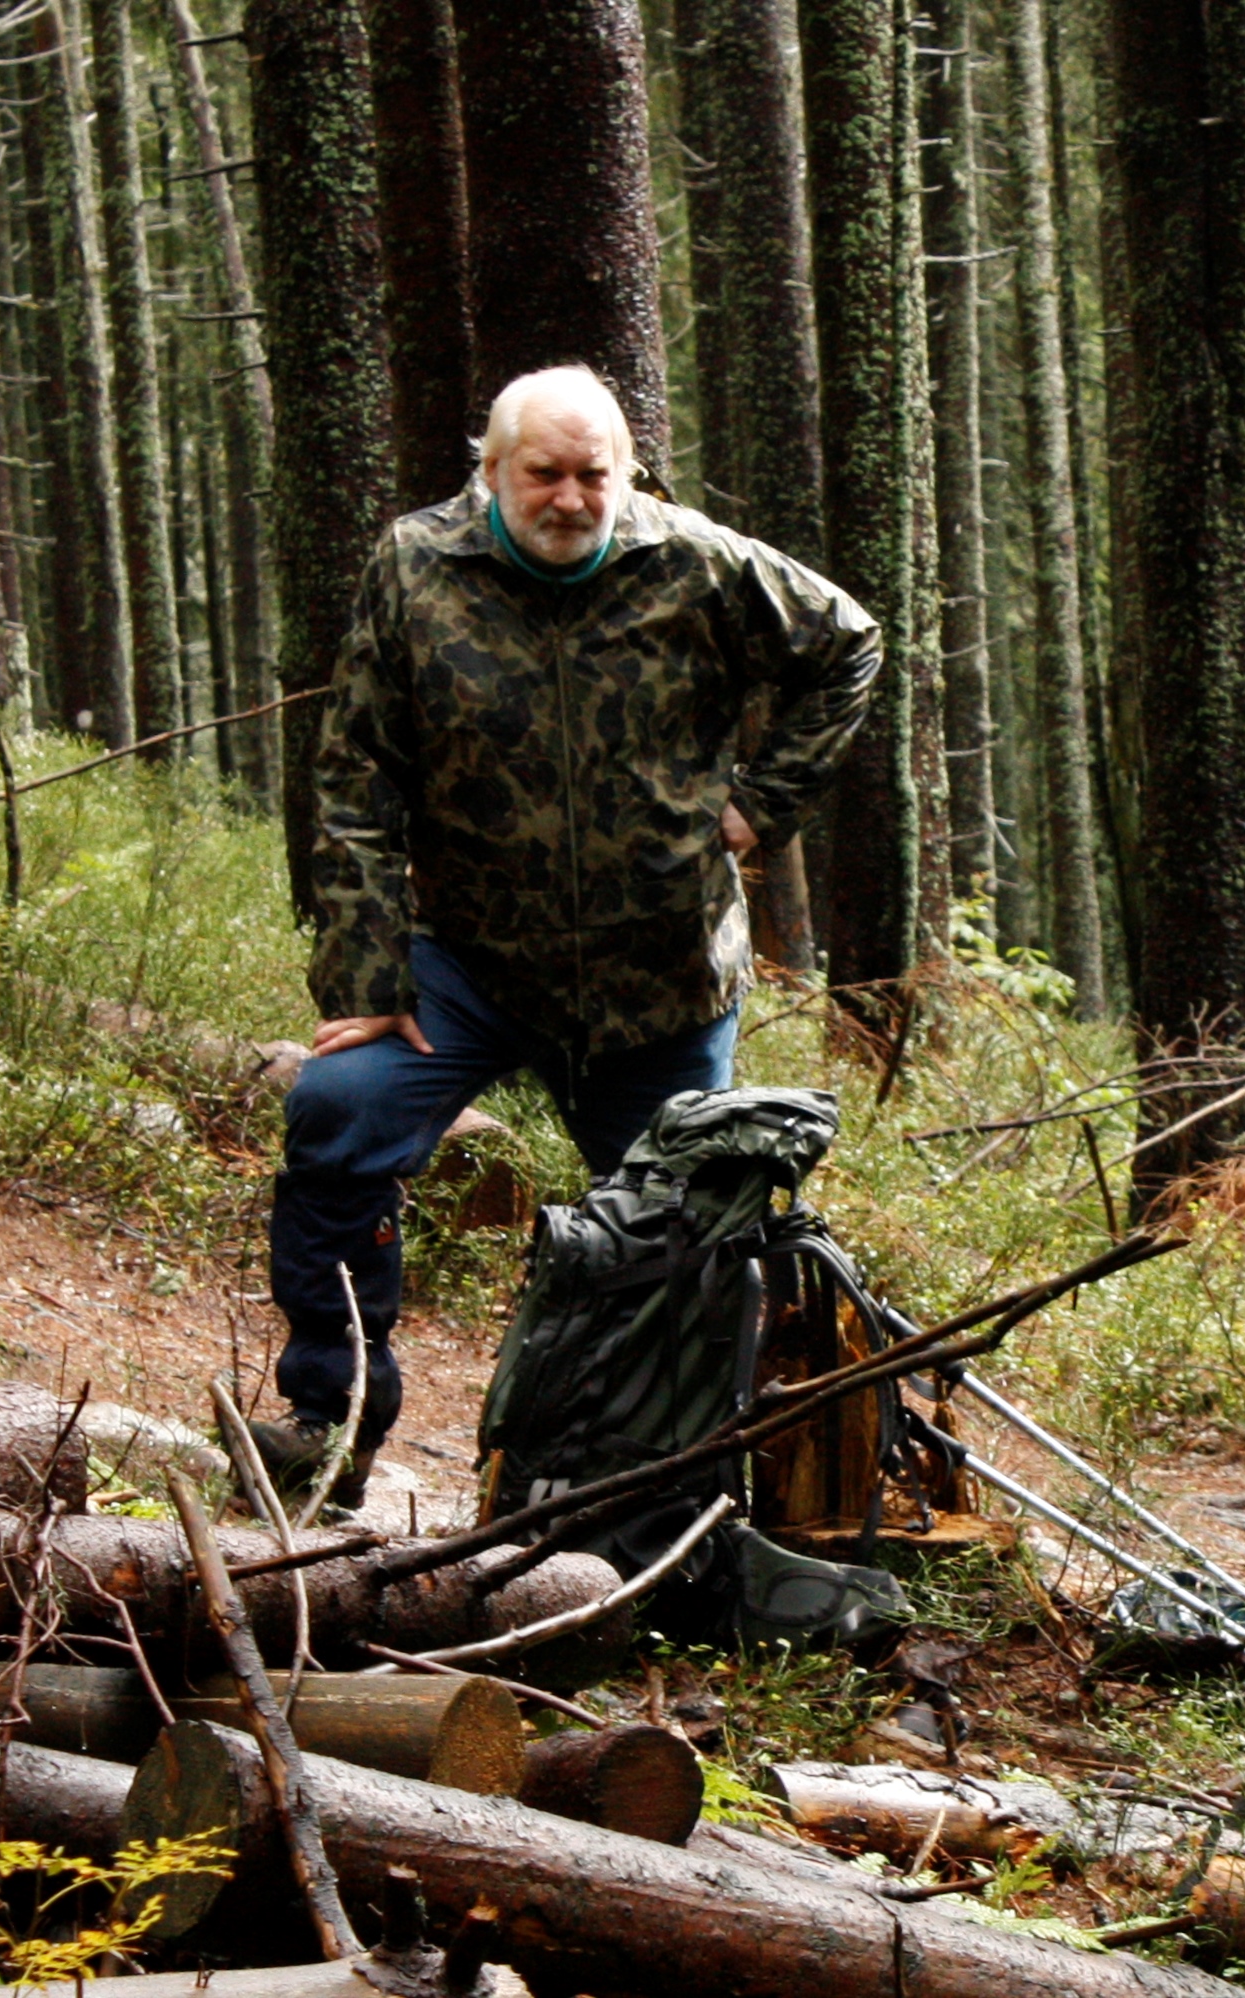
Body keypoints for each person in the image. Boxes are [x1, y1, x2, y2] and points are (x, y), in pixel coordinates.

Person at [254, 365, 882, 1506]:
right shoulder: (417, 565)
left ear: (625, 473)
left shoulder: (697, 562)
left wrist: (762, 805)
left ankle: (643, 1485)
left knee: (681, 1231)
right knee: (339, 1113)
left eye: (594, 474)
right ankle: (329, 1421)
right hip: (467, 964)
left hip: (661, 982)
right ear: (493, 471)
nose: (570, 498)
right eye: (543, 473)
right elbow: (355, 775)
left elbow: (849, 644)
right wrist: (365, 974)